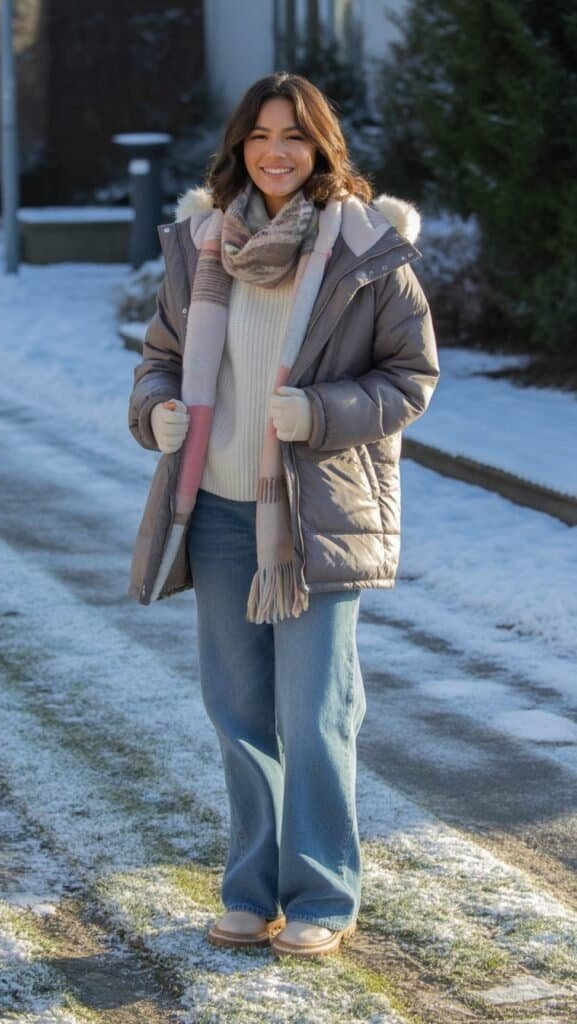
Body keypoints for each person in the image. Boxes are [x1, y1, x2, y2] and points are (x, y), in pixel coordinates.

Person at [127, 72, 439, 959]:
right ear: (239, 145)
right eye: (262, 135)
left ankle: (322, 895)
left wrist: (323, 412)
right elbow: (160, 357)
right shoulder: (200, 244)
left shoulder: (366, 249)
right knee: (237, 712)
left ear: (320, 148)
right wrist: (155, 410)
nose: (276, 152)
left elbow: (411, 378)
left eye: (294, 137)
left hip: (312, 519)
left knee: (315, 713)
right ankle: (251, 889)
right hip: (218, 512)